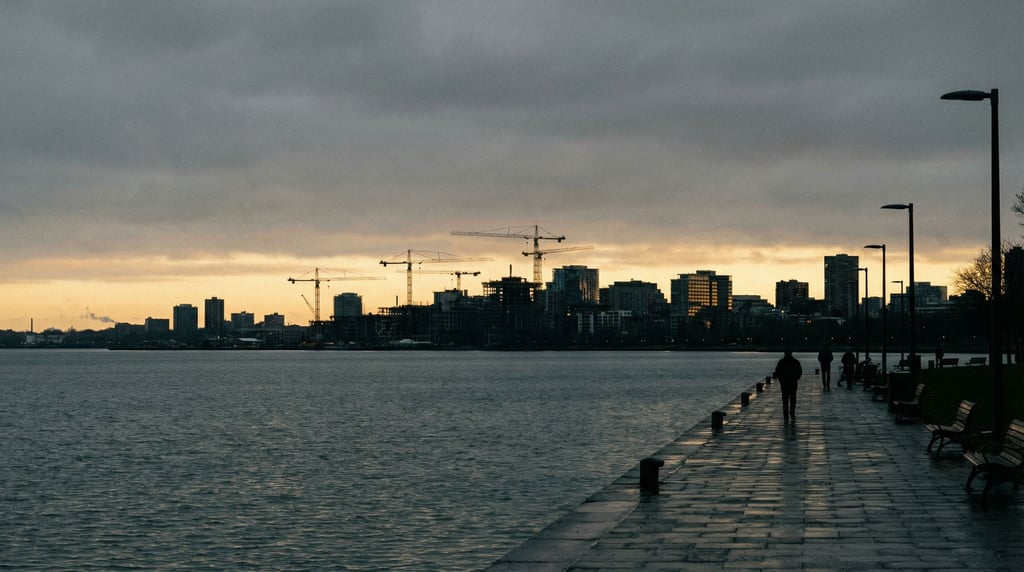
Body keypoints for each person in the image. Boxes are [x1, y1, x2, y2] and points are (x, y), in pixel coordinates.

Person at [774, 349, 802, 422]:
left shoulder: (781, 362)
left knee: (785, 399)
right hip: (793, 383)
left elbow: (777, 372)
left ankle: (785, 415)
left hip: (784, 384)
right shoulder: (796, 362)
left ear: (784, 353)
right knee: (793, 399)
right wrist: (795, 378)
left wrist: (781, 380)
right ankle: (792, 414)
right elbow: (799, 372)